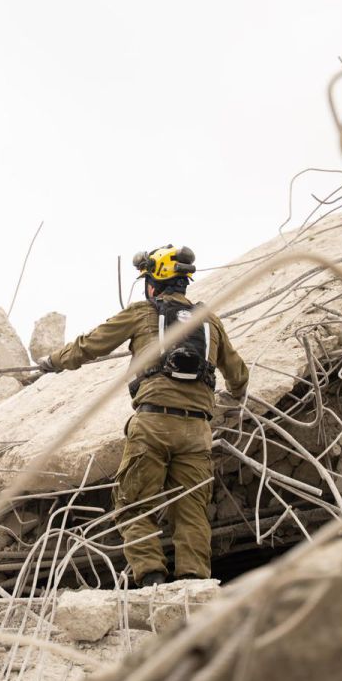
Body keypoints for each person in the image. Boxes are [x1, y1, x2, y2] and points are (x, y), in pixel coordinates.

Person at [37, 245, 249, 587]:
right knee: (192, 511)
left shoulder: (141, 313)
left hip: (153, 424)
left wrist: (52, 362)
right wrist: (233, 398)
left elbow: (91, 344)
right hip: (197, 430)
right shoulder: (209, 321)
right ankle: (194, 585)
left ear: (154, 282)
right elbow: (238, 375)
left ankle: (151, 579)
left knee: (134, 501)